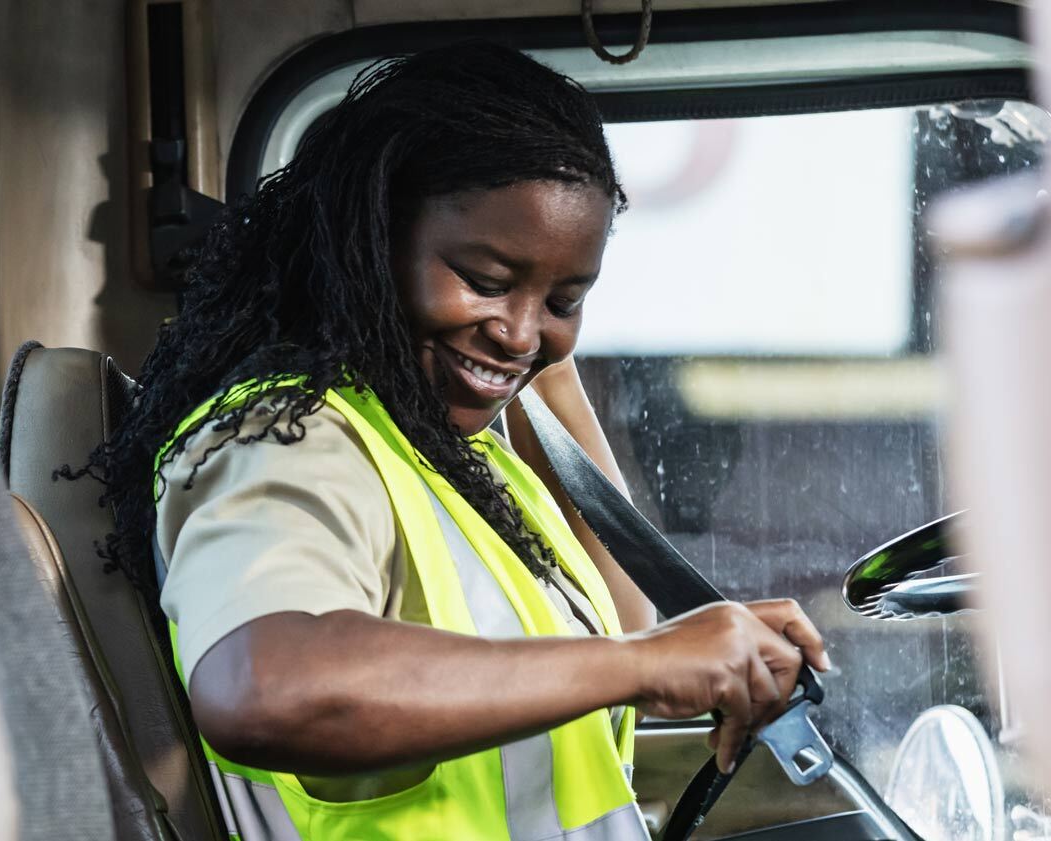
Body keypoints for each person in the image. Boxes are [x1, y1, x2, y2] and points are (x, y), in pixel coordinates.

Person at [89, 42, 828, 841]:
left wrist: (544, 363)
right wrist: (645, 664)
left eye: (564, 297)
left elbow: (618, 619)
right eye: (485, 280)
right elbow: (261, 686)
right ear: (372, 243)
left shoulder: (449, 452)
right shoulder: (286, 438)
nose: (519, 329)